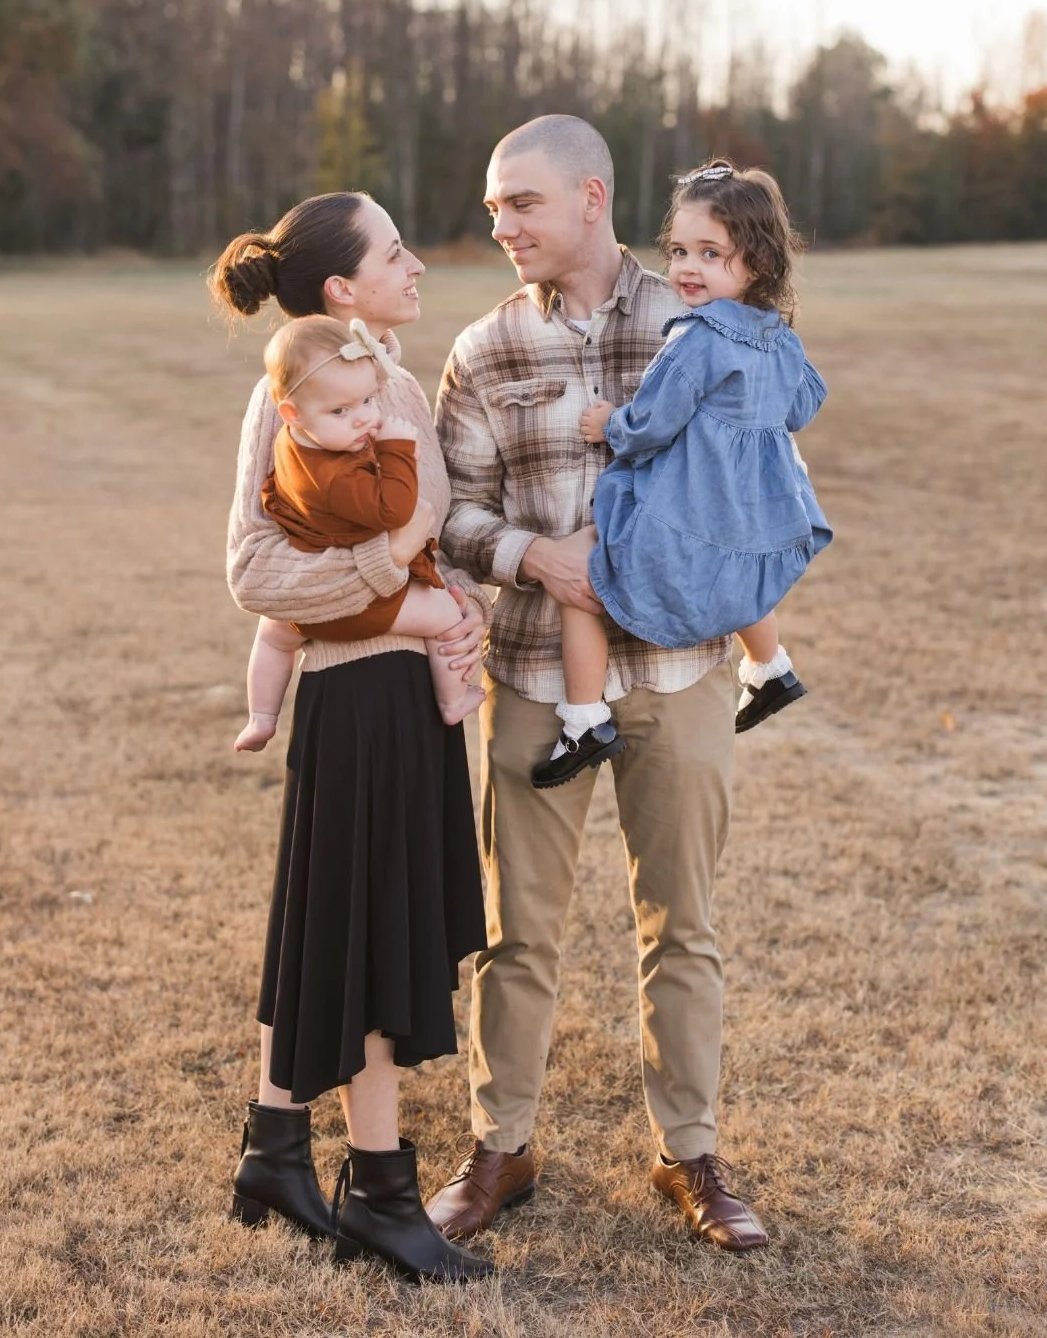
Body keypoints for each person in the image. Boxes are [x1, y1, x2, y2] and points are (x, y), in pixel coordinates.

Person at [430, 115, 769, 1251]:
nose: (500, 226)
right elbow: (453, 517)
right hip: (533, 672)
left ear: (589, 196)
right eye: (490, 208)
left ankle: (691, 1154)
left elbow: (759, 477)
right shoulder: (482, 351)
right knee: (514, 929)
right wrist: (534, 555)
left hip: (678, 673)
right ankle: (501, 1148)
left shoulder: (701, 315)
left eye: (518, 204)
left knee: (686, 923)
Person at [210, 191, 494, 1282]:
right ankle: (379, 1192)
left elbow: (423, 541)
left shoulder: (388, 384)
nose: (418, 263)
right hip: (360, 700)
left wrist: (446, 605)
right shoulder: (296, 398)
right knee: (374, 938)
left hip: (398, 692)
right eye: (395, 252)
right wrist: (402, 594)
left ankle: (275, 1153)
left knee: (327, 925)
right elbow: (258, 575)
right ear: (344, 292)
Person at [532, 158, 831, 789]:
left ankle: (584, 719)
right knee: (740, 575)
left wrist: (607, 424)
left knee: (584, 571)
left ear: (757, 263)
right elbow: (804, 404)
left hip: (692, 507)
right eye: (678, 250)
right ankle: (770, 667)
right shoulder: (779, 336)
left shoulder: (695, 338)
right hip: (756, 509)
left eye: (710, 254)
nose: (688, 268)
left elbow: (651, 424)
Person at [234, 313, 484, 753]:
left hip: (310, 593)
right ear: (290, 412)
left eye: (369, 401)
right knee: (444, 613)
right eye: (341, 410)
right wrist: (397, 450)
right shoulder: (336, 476)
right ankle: (454, 699)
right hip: (365, 600)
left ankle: (261, 716)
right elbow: (394, 509)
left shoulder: (295, 443)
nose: (363, 419)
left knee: (274, 636)